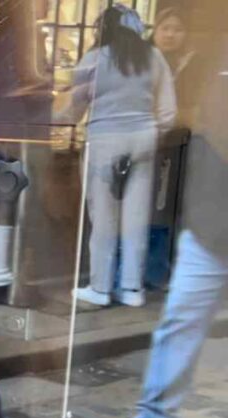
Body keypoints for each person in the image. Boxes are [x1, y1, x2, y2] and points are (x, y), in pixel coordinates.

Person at [97, 24, 228, 418]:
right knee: (180, 319)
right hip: (212, 215)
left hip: (209, 210)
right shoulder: (215, 52)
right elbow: (196, 120)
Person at [70, 5, 177, 309]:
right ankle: (132, 288)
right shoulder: (153, 57)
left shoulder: (94, 58)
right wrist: (154, 134)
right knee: (136, 217)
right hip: (142, 140)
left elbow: (76, 105)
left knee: (103, 218)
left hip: (104, 142)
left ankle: (100, 287)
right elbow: (168, 111)